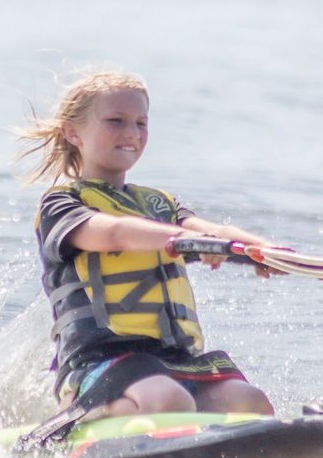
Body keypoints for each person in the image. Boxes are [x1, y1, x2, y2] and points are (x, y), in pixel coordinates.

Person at [17, 71, 276, 438]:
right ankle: (85, 417)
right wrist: (174, 238)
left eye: (141, 123)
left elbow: (212, 232)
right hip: (102, 362)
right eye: (115, 121)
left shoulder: (158, 204)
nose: (132, 133)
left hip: (175, 360)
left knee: (249, 402)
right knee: (170, 402)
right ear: (73, 132)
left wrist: (260, 249)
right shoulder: (61, 203)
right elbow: (113, 233)